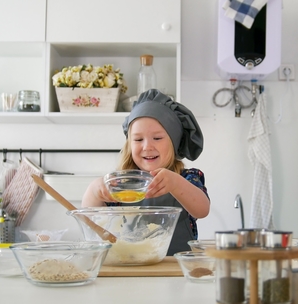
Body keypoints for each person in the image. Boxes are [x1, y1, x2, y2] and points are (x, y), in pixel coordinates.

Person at [82, 89, 210, 255]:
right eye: (138, 139)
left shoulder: (187, 178)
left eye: (157, 138)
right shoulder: (120, 184)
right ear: (129, 144)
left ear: (174, 141)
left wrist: (175, 182)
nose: (147, 146)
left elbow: (202, 209)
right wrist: (94, 191)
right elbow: (89, 219)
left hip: (175, 270)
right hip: (132, 269)